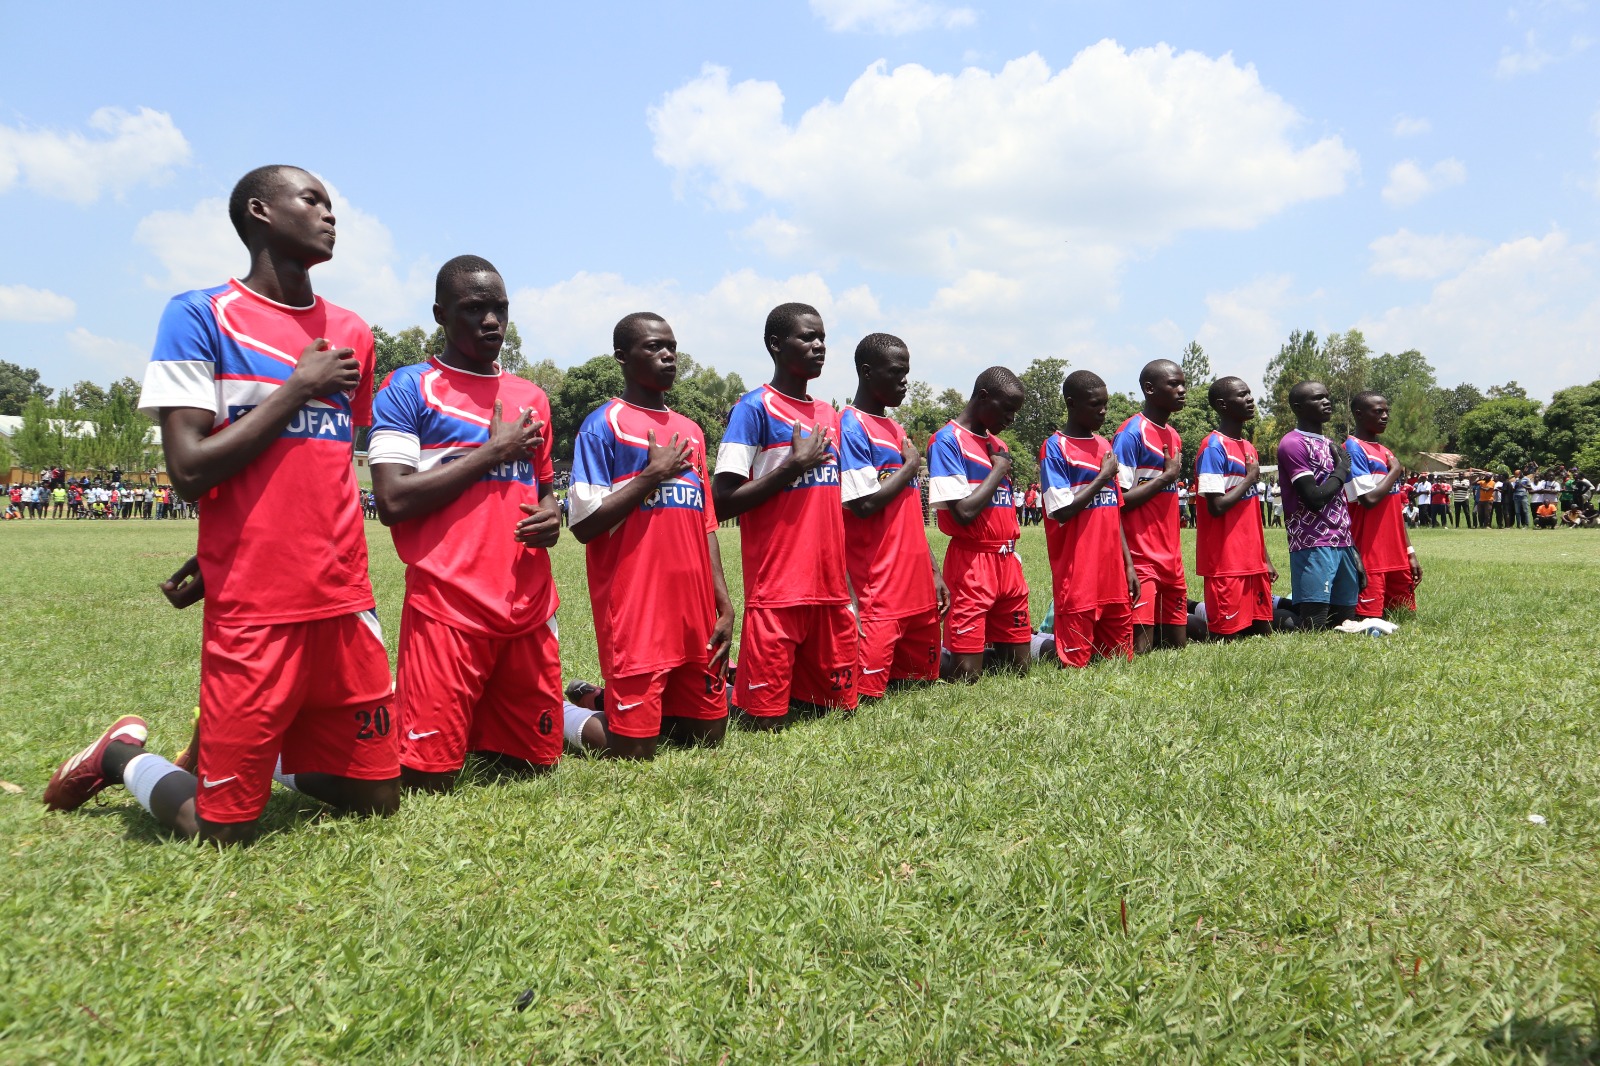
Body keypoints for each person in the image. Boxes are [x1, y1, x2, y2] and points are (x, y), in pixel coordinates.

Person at [44, 164, 399, 843]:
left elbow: (312, 465)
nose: (331, 214)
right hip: (257, 605)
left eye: (332, 203)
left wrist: (218, 548)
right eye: (313, 199)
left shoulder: (353, 331)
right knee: (222, 831)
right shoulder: (197, 314)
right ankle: (120, 757)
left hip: (344, 595)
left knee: (378, 799)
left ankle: (250, 756)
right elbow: (187, 469)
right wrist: (296, 388)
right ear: (260, 212)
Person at [368, 255, 565, 791]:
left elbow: (545, 493)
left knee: (533, 768)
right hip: (448, 607)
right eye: (473, 309)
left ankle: (576, 705)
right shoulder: (408, 388)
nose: (491, 322)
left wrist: (551, 517)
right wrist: (491, 451)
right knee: (427, 779)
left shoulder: (532, 399)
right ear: (440, 314)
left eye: (499, 308)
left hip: (527, 607)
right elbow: (391, 499)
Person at [561, 312, 735, 759]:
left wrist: (724, 601)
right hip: (637, 608)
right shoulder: (604, 425)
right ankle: (562, 712)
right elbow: (583, 524)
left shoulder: (692, 432)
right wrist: (650, 476)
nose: (668, 356)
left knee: (707, 735)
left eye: (672, 347)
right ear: (622, 356)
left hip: (693, 610)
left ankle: (597, 697)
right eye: (654, 347)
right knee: (633, 749)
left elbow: (707, 525)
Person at [713, 303, 857, 729]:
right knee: (764, 721)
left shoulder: (829, 415)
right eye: (807, 337)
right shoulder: (753, 409)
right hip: (778, 589)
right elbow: (722, 501)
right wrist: (793, 466)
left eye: (823, 338)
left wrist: (849, 589)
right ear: (775, 345)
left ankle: (736, 681)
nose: (819, 346)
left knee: (833, 713)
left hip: (830, 591)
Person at [836, 333, 948, 701]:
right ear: (867, 373)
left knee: (917, 689)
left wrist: (932, 569)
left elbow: (909, 514)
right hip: (877, 588)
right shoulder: (850, 425)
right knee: (868, 695)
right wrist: (911, 466)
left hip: (914, 585)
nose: (905, 382)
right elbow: (862, 503)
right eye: (897, 373)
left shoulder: (897, 429)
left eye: (908, 373)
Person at [926, 367, 1030, 680]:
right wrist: (998, 470)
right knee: (966, 675)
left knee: (1019, 669)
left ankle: (1028, 643)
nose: (1011, 418)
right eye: (1007, 409)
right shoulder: (946, 441)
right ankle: (926, 658)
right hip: (972, 562)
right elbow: (963, 513)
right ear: (983, 396)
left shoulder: (1000, 446)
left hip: (1008, 562)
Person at [1037, 370, 1138, 666]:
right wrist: (1102, 477)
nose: (1103, 411)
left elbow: (1114, 510)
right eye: (1095, 404)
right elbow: (1062, 510)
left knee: (1120, 661)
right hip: (1077, 573)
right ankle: (1036, 644)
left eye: (1105, 403)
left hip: (1113, 575)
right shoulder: (1055, 447)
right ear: (1071, 403)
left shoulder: (1105, 445)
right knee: (1075, 664)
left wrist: (1128, 565)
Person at [1276, 381, 1364, 630]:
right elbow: (1314, 498)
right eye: (1317, 398)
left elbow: (1340, 501)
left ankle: (1273, 605)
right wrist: (1342, 469)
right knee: (1314, 624)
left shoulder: (1331, 445)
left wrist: (1353, 550)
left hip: (1343, 543)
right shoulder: (1293, 444)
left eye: (1327, 396)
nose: (1326, 401)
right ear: (1298, 407)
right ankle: (1261, 618)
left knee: (1345, 621)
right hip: (1312, 541)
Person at [1113, 359, 1187, 654]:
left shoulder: (1173, 434)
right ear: (1149, 389)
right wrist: (1165, 477)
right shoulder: (1131, 434)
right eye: (1173, 384)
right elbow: (1118, 501)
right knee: (1141, 649)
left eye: (1183, 384)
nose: (1182, 390)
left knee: (1176, 647)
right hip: (1141, 557)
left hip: (1171, 556)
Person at [1194, 378, 1277, 640]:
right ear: (1222, 405)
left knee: (1263, 633)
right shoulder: (1212, 447)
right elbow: (1216, 506)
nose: (1250, 399)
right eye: (1242, 395)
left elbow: (1250, 512)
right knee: (1227, 637)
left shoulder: (1248, 447)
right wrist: (1250, 479)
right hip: (1226, 562)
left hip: (1253, 562)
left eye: (1250, 393)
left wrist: (1265, 559)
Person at [1345, 393, 1422, 620]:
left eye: (1386, 411)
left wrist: (1409, 552)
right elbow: (1368, 500)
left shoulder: (1386, 451)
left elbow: (1395, 509)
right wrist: (1395, 472)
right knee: (1369, 619)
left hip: (1395, 553)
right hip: (1370, 552)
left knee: (1404, 616)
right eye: (1378, 411)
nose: (1385, 416)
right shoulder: (1353, 448)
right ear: (1359, 414)